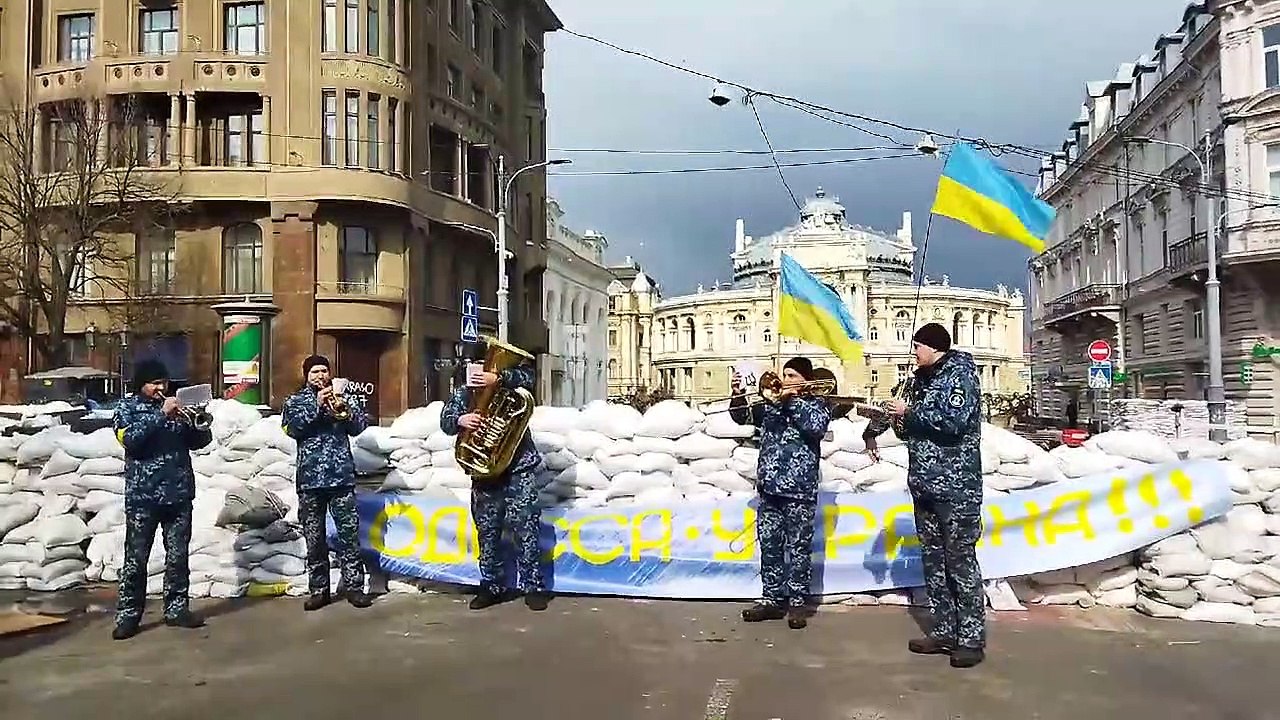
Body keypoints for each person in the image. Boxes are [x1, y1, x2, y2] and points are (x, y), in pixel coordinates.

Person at [863, 323, 985, 668]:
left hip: (956, 486)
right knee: (933, 562)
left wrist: (909, 413)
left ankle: (971, 639)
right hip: (925, 484)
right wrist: (874, 430)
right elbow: (903, 424)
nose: (913, 352)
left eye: (917, 346)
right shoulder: (919, 380)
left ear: (934, 347)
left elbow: (955, 422)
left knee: (959, 561)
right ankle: (944, 630)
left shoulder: (960, 376)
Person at [440, 345, 549, 611]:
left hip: (518, 469)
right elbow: (445, 422)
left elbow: (531, 380)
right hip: (484, 472)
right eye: (477, 363)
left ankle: (532, 586)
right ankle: (491, 586)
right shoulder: (463, 393)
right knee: (487, 532)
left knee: (526, 528)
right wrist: (461, 419)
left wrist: (499, 379)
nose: (481, 369)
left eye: (485, 363)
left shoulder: (511, 383)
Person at [112, 359, 213, 640]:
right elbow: (130, 440)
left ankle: (177, 609)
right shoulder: (127, 408)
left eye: (163, 383)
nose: (160, 388)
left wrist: (197, 421)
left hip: (178, 494)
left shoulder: (176, 407)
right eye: (154, 383)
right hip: (143, 496)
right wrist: (160, 416)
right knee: (136, 559)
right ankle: (129, 615)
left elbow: (200, 443)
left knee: (178, 556)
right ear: (141, 384)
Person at [729, 356, 832, 629]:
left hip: (799, 490)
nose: (785, 381)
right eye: (784, 375)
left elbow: (816, 428)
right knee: (770, 547)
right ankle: (772, 599)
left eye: (793, 376)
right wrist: (738, 394)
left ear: (806, 381)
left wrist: (792, 401)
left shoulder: (817, 405)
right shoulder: (771, 406)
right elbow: (741, 417)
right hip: (770, 488)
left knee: (798, 548)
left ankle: (798, 603)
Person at [282, 355, 373, 611]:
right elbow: (292, 429)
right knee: (315, 538)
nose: (320, 376)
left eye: (324, 371)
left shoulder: (345, 397)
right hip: (310, 481)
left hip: (341, 478)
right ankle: (319, 590)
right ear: (306, 376)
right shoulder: (296, 401)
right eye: (314, 372)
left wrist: (346, 408)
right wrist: (317, 406)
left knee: (349, 535)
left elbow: (358, 427)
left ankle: (354, 587)